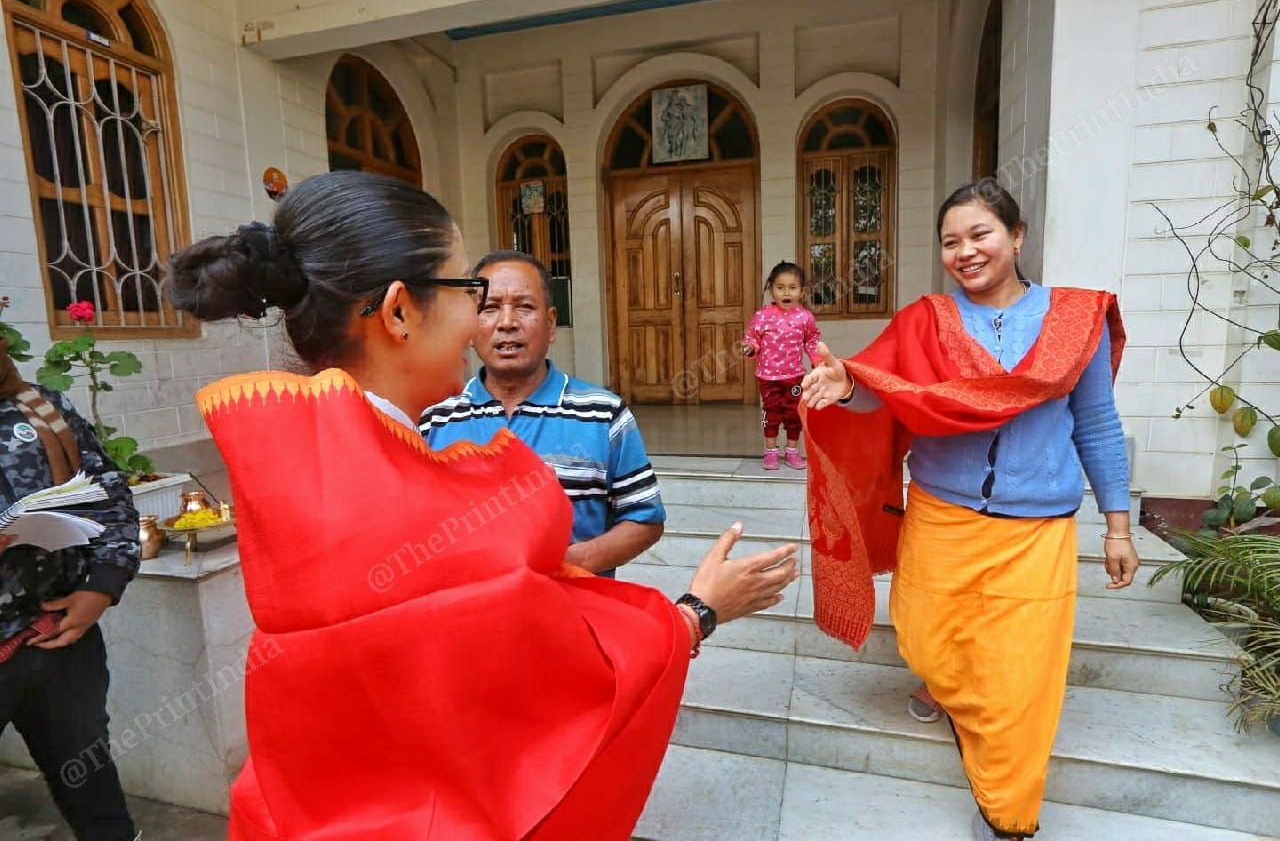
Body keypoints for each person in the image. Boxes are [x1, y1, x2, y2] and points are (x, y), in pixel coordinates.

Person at [162, 171, 799, 840]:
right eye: (469, 290)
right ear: (401, 311)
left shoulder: (291, 474)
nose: (485, 320)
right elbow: (563, 699)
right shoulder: (434, 510)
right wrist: (696, 612)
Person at [800, 177, 1140, 841]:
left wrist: (1118, 525)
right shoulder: (925, 321)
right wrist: (847, 387)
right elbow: (883, 391)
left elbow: (1097, 422)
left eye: (980, 234)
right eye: (951, 241)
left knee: (1021, 680)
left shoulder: (1076, 322)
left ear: (1016, 236)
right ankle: (958, 694)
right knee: (923, 633)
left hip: (1034, 532)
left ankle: (1007, 817)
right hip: (941, 518)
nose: (966, 250)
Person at [421, 250, 663, 578]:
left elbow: (645, 518)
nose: (507, 323)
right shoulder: (434, 419)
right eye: (490, 308)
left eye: (524, 307)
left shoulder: (603, 414)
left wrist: (573, 562)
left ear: (550, 324)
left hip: (574, 617)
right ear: (469, 323)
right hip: (469, 620)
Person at [0, 339, 140, 840]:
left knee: (91, 786)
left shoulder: (39, 408)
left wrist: (102, 584)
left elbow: (109, 495)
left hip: (58, 639)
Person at [740, 261, 822, 470]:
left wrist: (816, 360)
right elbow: (753, 338)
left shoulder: (805, 317)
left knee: (794, 414)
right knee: (771, 414)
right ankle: (771, 452)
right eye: (780, 287)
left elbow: (811, 341)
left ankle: (792, 452)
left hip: (795, 377)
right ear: (771, 290)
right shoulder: (762, 316)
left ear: (802, 292)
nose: (786, 292)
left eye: (792, 288)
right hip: (768, 379)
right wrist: (750, 347)